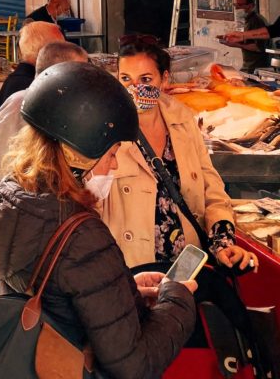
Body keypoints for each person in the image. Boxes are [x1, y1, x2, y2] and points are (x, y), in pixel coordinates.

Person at [0, 61, 196, 379]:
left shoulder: (6, 200)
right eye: (111, 153)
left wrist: (122, 289)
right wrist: (178, 298)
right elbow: (134, 366)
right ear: (78, 156)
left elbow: (58, 291)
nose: (114, 165)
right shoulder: (82, 237)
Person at [105, 34, 253, 271]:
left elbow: (211, 187)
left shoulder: (182, 119)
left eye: (145, 79)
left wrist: (222, 242)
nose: (135, 88)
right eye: (125, 79)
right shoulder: (106, 128)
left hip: (186, 264)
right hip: (133, 267)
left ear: (164, 79)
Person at [0, 43, 89, 286]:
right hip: (6, 235)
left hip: (38, 235)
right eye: (81, 73)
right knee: (1, 302)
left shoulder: (67, 110)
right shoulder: (21, 104)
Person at [0, 20, 65, 106]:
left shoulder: (19, 79)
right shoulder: (30, 86)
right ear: (45, 50)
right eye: (61, 48)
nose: (64, 54)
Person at [222, 0, 271, 72]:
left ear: (250, 6)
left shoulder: (256, 21)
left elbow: (259, 47)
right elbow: (248, 40)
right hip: (249, 65)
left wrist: (236, 44)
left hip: (256, 67)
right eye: (235, 5)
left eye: (239, 5)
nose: (236, 8)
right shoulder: (248, 20)